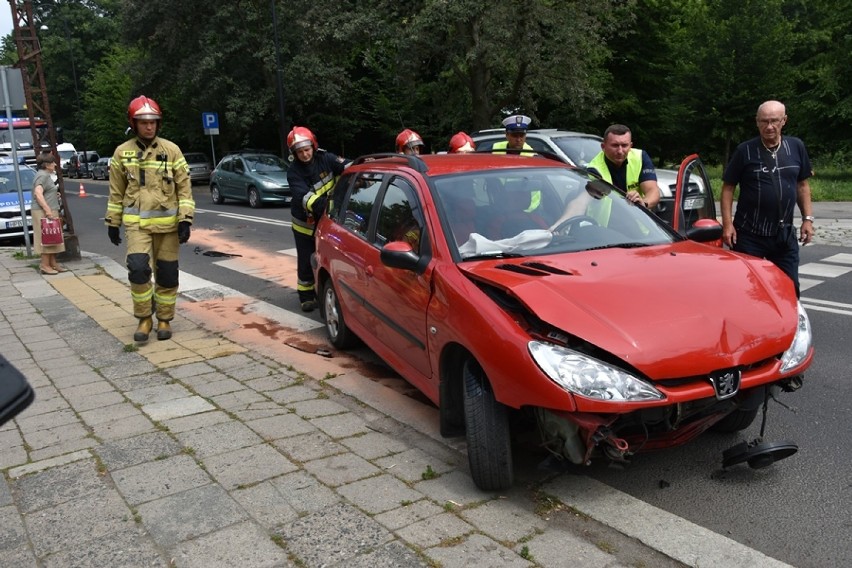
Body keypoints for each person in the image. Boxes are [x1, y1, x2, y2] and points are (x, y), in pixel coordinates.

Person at [105, 95, 194, 342]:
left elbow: (184, 188)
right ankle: (145, 318)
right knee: (138, 270)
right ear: (133, 124)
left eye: (153, 122)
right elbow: (115, 191)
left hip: (168, 227)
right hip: (137, 226)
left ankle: (164, 318)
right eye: (143, 122)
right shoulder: (122, 153)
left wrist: (185, 219)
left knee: (167, 274)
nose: (149, 126)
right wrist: (113, 222)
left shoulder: (171, 150)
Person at [721, 100, 814, 298]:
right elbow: (728, 188)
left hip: (783, 235)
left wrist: (808, 219)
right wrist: (727, 225)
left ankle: (790, 328)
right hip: (749, 235)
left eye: (774, 121)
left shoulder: (796, 147)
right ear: (757, 122)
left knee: (789, 289)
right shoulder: (744, 151)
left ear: (784, 121)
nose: (769, 126)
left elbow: (802, 185)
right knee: (747, 290)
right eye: (764, 121)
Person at [287, 126, 349, 312]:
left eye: (307, 150)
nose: (305, 155)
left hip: (328, 220)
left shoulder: (326, 158)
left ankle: (324, 289)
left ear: (313, 146)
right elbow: (305, 198)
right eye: (300, 152)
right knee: (306, 258)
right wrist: (332, 204)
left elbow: (346, 167)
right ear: (294, 154)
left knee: (329, 256)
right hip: (305, 225)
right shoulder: (294, 172)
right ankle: (306, 296)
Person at [551, 124, 660, 228]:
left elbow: (652, 191)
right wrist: (558, 226)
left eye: (624, 145)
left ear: (631, 146)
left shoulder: (640, 157)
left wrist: (643, 204)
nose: (620, 151)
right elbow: (581, 202)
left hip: (640, 227)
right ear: (603, 146)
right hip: (606, 230)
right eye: (615, 145)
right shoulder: (595, 169)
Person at [31, 152, 66, 275]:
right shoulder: (43, 176)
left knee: (53, 237)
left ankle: (53, 263)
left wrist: (53, 195)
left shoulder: (44, 175)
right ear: (46, 165)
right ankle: (45, 265)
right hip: (43, 212)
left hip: (48, 210)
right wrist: (47, 210)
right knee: (47, 238)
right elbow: (38, 193)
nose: (55, 165)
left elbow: (44, 192)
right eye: (53, 163)